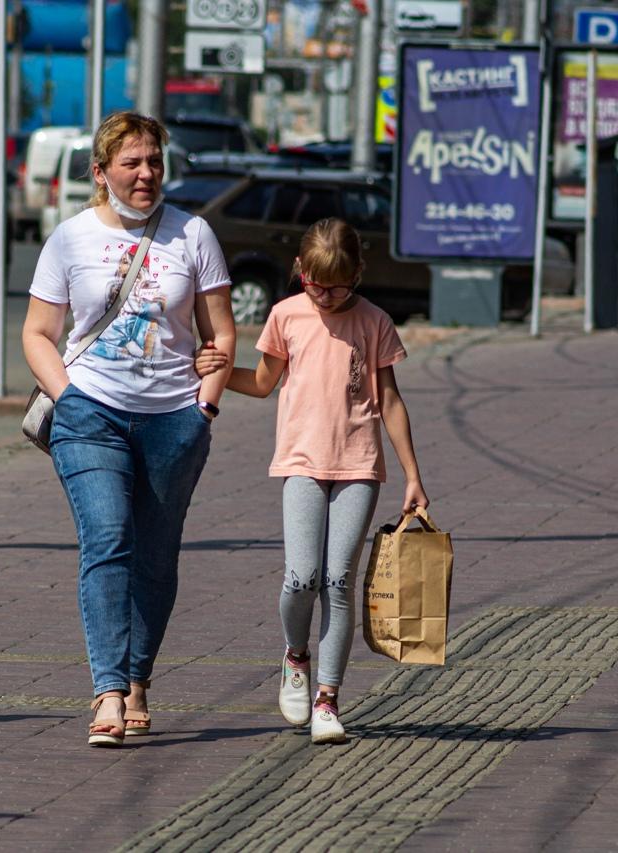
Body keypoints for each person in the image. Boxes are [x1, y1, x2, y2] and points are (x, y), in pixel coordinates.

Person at [21, 111, 235, 748]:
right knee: (107, 538)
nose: (146, 174)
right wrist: (69, 399)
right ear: (100, 171)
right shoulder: (70, 239)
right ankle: (109, 691)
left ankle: (138, 677)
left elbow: (221, 334)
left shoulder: (193, 234)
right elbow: (38, 334)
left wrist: (204, 410)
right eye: (131, 163)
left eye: (154, 162)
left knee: (157, 555)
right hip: (91, 413)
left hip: (174, 420)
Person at [195, 218, 428, 745]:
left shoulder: (374, 322)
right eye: (315, 285)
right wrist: (210, 371)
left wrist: (413, 475)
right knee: (302, 578)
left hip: (358, 466)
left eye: (338, 288)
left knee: (338, 581)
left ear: (358, 274)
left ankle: (328, 698)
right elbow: (262, 383)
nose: (324, 297)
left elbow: (390, 401)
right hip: (300, 462)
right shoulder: (286, 315)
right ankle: (296, 655)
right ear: (300, 270)